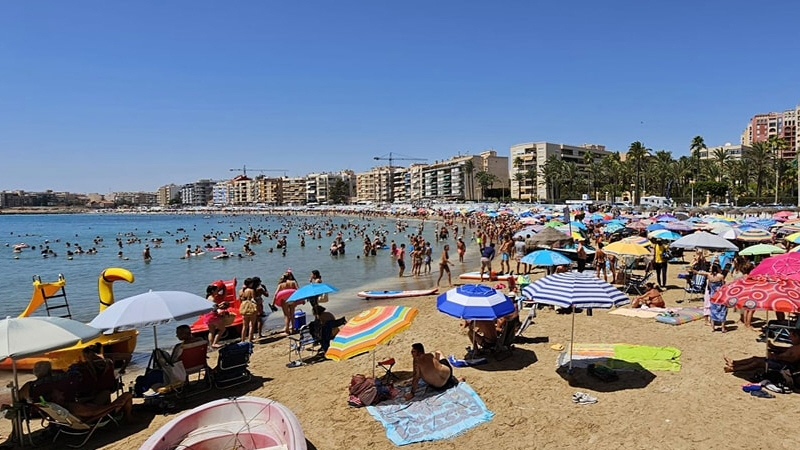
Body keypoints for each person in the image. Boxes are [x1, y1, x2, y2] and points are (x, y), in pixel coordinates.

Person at [724, 328, 800, 373]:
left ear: (797, 337)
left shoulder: (798, 349)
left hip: (784, 366)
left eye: (791, 337)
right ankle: (734, 363)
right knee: (754, 358)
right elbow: (786, 349)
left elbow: (792, 360)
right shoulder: (796, 345)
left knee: (758, 362)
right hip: (779, 360)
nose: (790, 339)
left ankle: (734, 369)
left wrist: (775, 356)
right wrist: (773, 346)